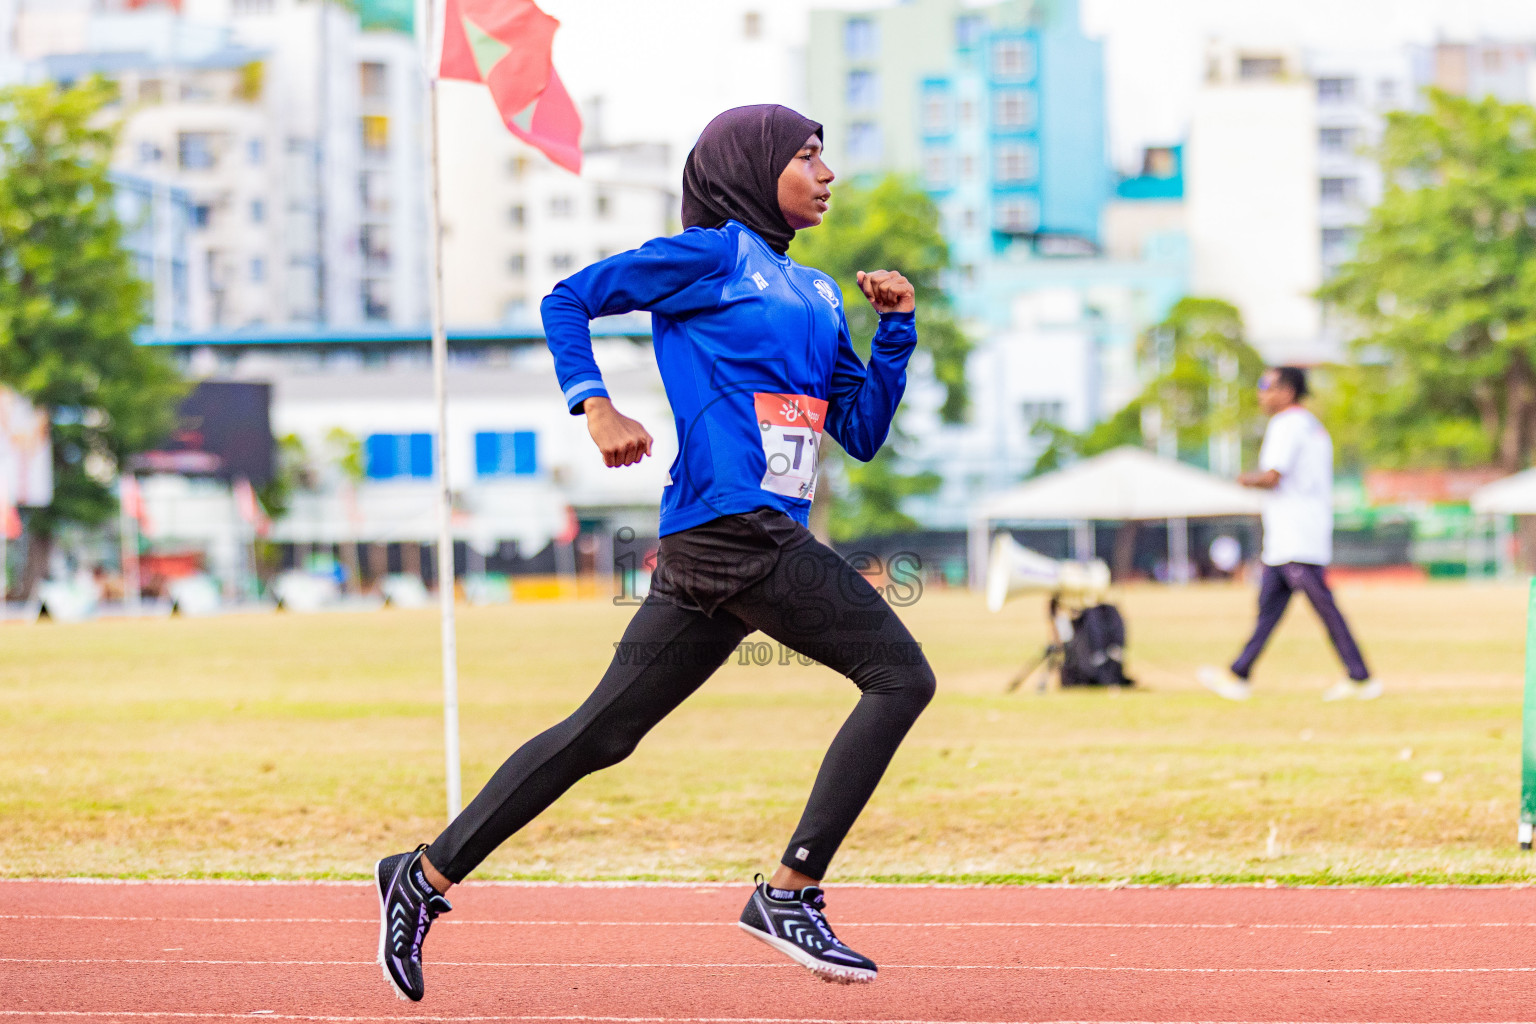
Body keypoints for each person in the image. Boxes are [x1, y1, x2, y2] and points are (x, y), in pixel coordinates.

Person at [375, 105, 936, 1001]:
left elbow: (861, 430)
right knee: (901, 676)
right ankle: (790, 891)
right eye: (807, 157)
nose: (827, 175)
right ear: (753, 169)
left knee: (605, 733)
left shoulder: (821, 294)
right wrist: (595, 404)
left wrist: (897, 331)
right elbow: (569, 298)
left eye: (826, 158)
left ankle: (424, 875)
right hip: (732, 524)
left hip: (734, 535)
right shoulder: (710, 257)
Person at [1199, 366, 1377, 702]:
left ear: (1289, 391)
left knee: (1324, 607)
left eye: (1268, 386)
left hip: (1296, 535)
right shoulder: (1311, 425)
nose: (1261, 393)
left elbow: (1273, 477)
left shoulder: (1288, 424)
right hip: (1289, 536)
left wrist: (1238, 480)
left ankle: (1361, 677)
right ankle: (1239, 674)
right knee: (1268, 609)